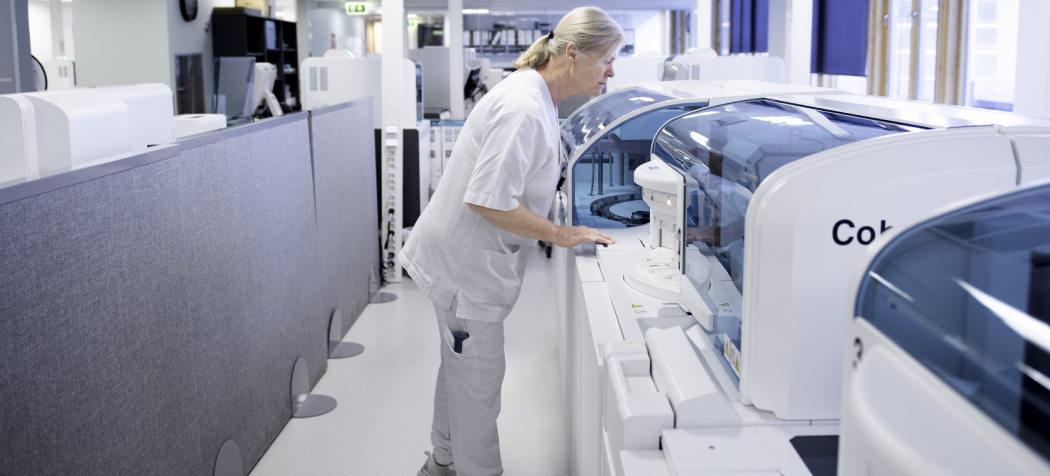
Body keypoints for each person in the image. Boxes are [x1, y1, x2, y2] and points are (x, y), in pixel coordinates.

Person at [399, 7, 624, 476]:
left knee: (461, 370)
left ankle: (443, 460)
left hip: (464, 260)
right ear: (572, 53)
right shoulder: (524, 106)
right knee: (479, 380)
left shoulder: (537, 97)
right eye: (608, 58)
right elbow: (490, 201)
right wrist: (563, 233)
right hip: (464, 267)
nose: (612, 70)